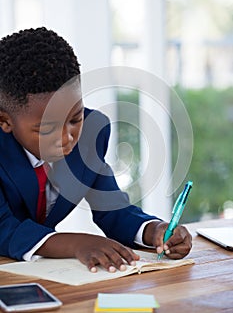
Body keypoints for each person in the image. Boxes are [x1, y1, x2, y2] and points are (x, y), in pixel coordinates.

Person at [0, 27, 192, 273]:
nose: (67, 138)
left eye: (75, 118)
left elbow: (112, 209)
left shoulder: (92, 133)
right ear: (4, 121)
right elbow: (4, 228)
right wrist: (76, 243)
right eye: (46, 129)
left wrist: (154, 230)